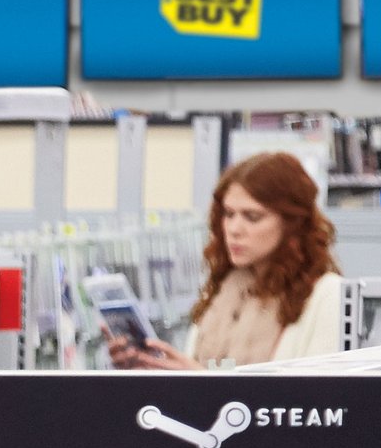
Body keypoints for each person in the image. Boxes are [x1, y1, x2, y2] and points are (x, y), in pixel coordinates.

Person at [112, 151, 345, 368]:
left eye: (252, 217)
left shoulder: (327, 295)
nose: (234, 229)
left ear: (292, 223)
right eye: (228, 214)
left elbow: (316, 404)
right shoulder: (222, 290)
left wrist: (202, 383)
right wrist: (147, 369)